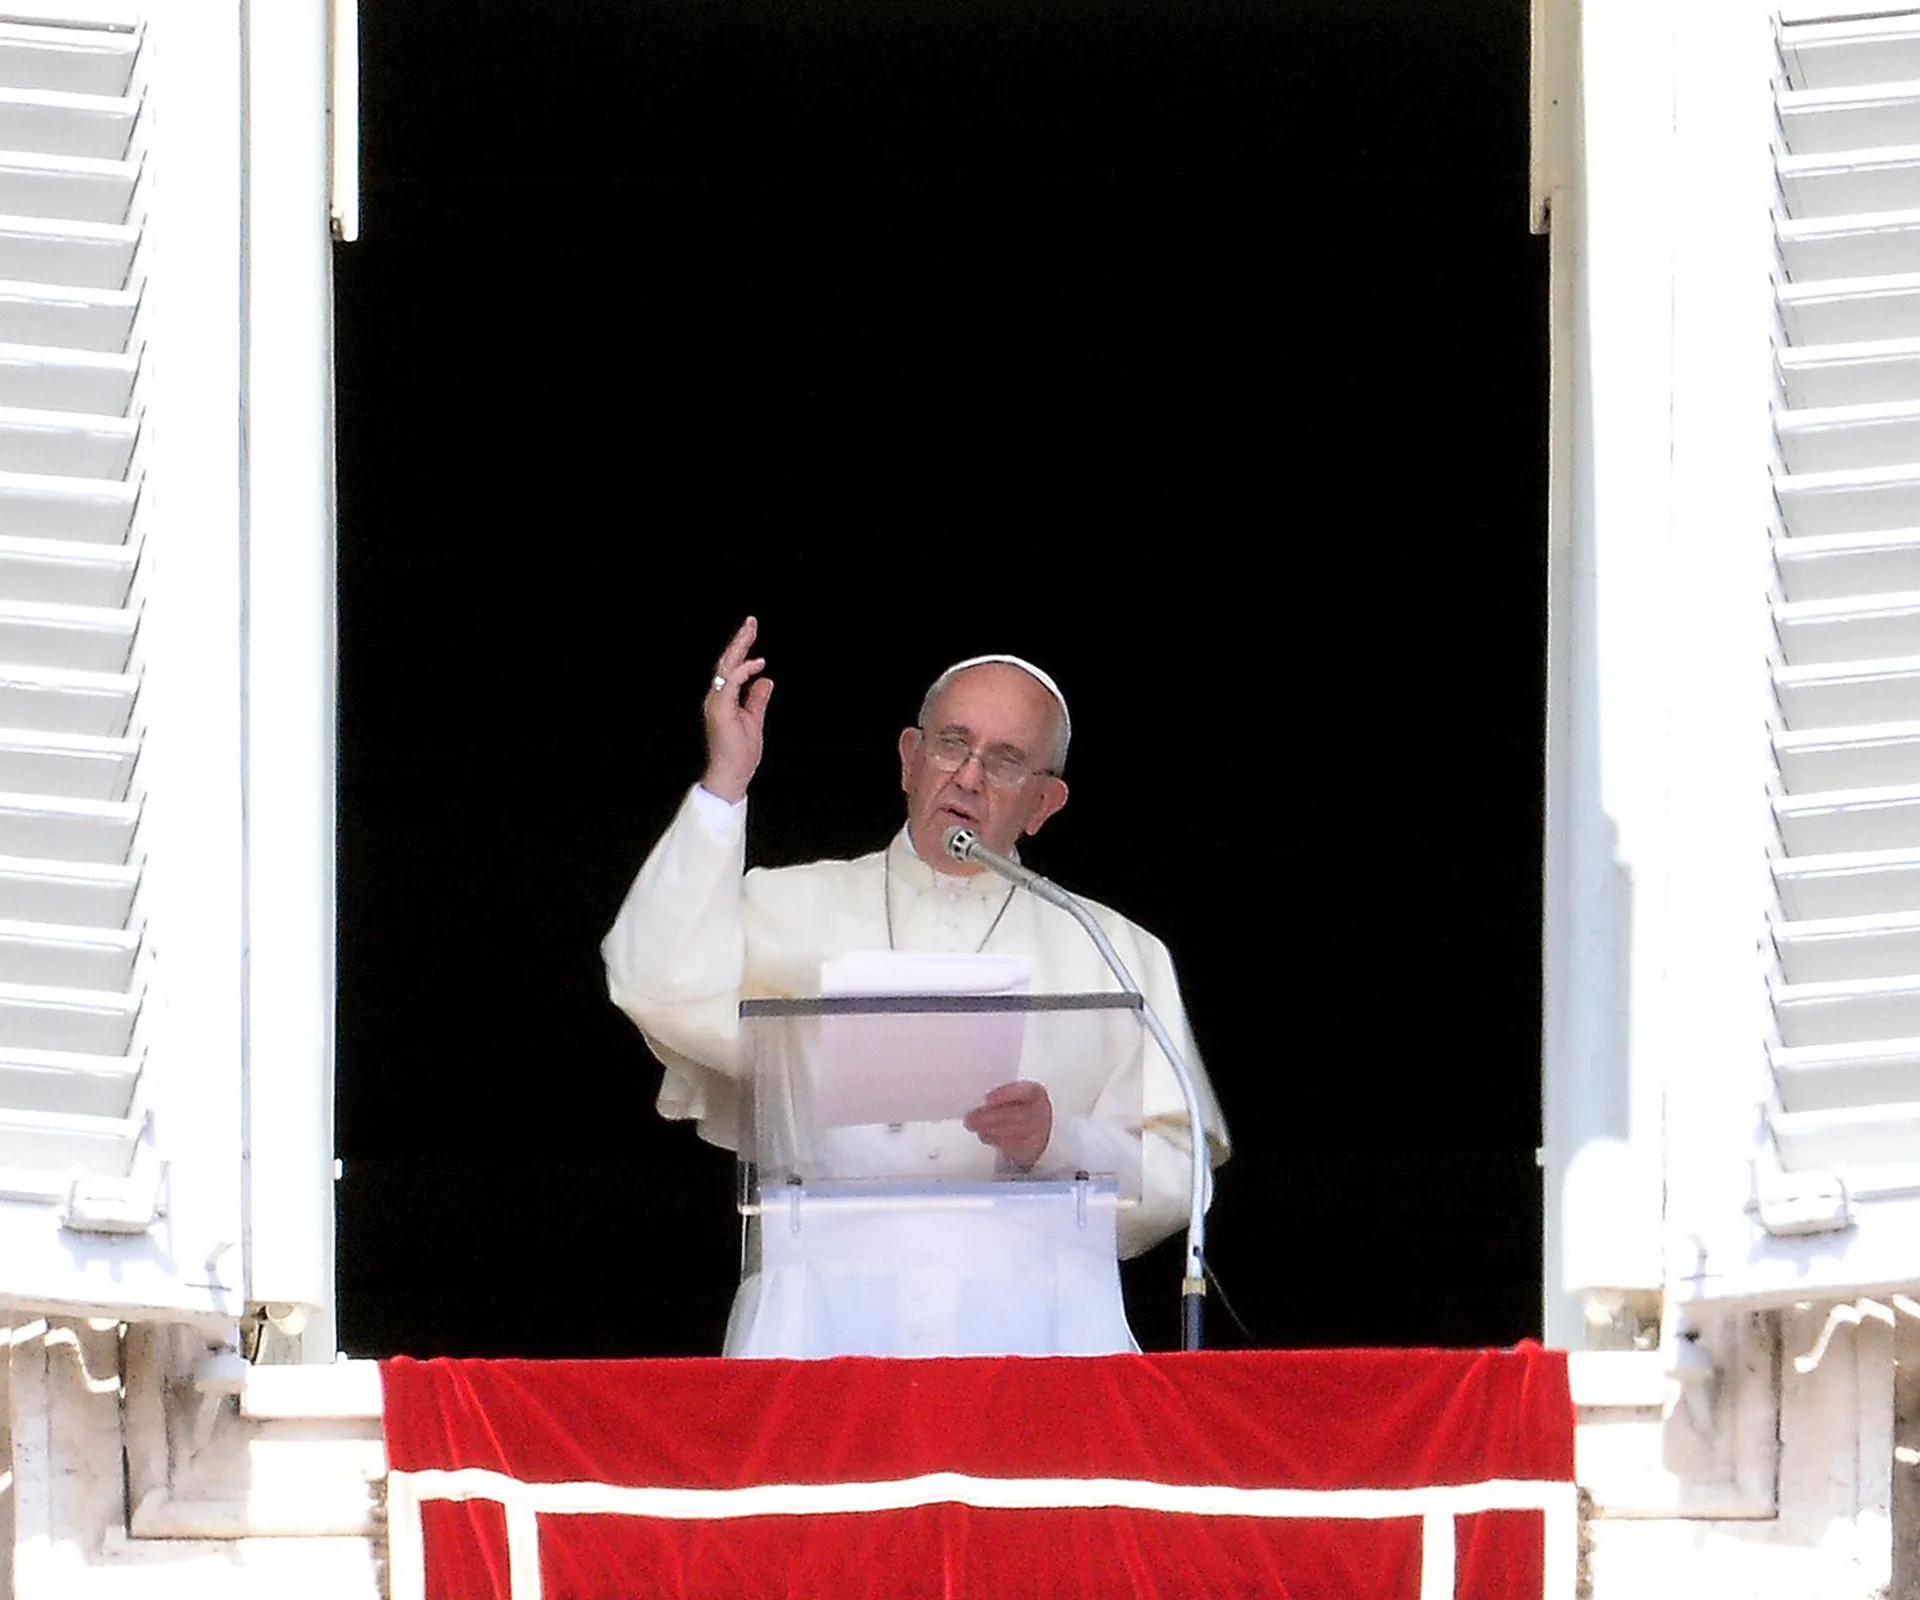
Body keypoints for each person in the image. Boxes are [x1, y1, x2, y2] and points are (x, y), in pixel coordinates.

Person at [602, 616, 1229, 1352]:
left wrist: (1059, 1139)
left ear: (1044, 803)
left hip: (1039, 1331)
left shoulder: (1112, 948)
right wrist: (725, 784)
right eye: (952, 745)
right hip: (819, 1323)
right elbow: (654, 980)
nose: (966, 775)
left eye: (1004, 761)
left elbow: (1180, 1169)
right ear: (909, 758)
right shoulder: (790, 905)